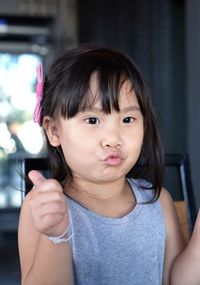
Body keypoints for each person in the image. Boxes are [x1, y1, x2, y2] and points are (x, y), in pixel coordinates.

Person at [18, 46, 200, 285]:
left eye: (127, 119)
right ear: (54, 130)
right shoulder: (43, 207)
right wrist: (56, 235)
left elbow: (176, 280)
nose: (113, 138)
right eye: (92, 120)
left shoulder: (158, 201)